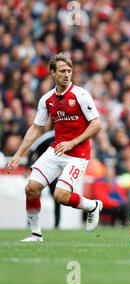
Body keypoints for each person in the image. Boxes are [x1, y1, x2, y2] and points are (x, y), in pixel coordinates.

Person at [6, 53, 103, 242]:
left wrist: (73, 142)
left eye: (69, 71)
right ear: (52, 73)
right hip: (56, 150)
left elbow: (96, 124)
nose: (67, 74)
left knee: (60, 195)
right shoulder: (47, 99)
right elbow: (36, 128)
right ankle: (35, 234)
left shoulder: (81, 95)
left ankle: (92, 206)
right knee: (31, 188)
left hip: (77, 154)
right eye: (62, 71)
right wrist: (18, 153)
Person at [25, 130, 62, 228]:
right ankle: (31, 222)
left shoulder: (65, 138)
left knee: (57, 196)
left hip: (53, 172)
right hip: (40, 171)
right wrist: (28, 166)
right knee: (35, 196)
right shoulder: (48, 136)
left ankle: (57, 224)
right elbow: (33, 149)